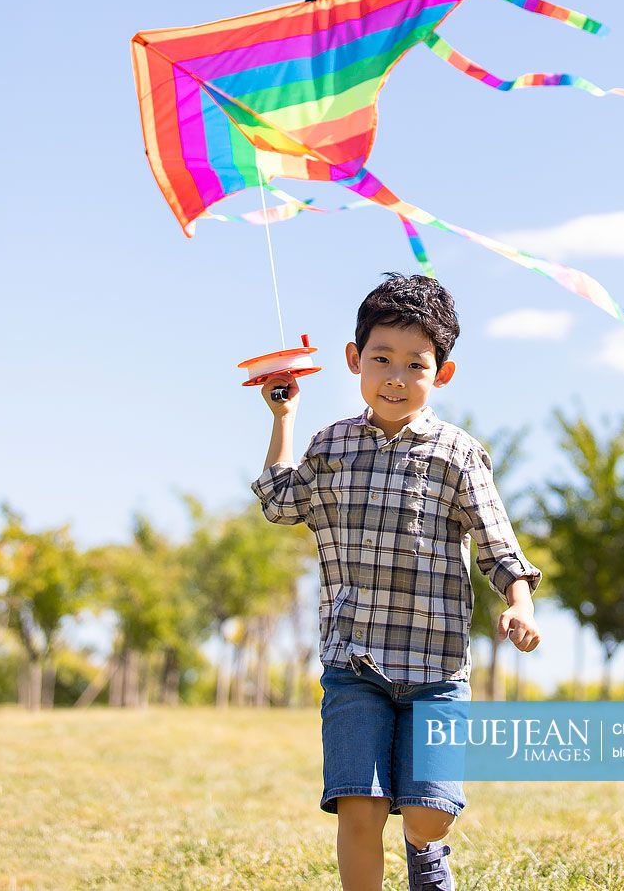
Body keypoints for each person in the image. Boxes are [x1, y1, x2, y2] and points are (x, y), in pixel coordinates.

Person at [251, 273, 542, 891]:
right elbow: (281, 503)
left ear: (442, 374)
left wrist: (520, 603)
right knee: (359, 807)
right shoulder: (332, 446)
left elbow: (497, 542)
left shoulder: (458, 454)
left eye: (416, 364)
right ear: (354, 359)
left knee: (429, 815)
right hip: (354, 661)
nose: (395, 376)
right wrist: (284, 418)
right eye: (381, 358)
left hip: (436, 668)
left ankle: (426, 854)